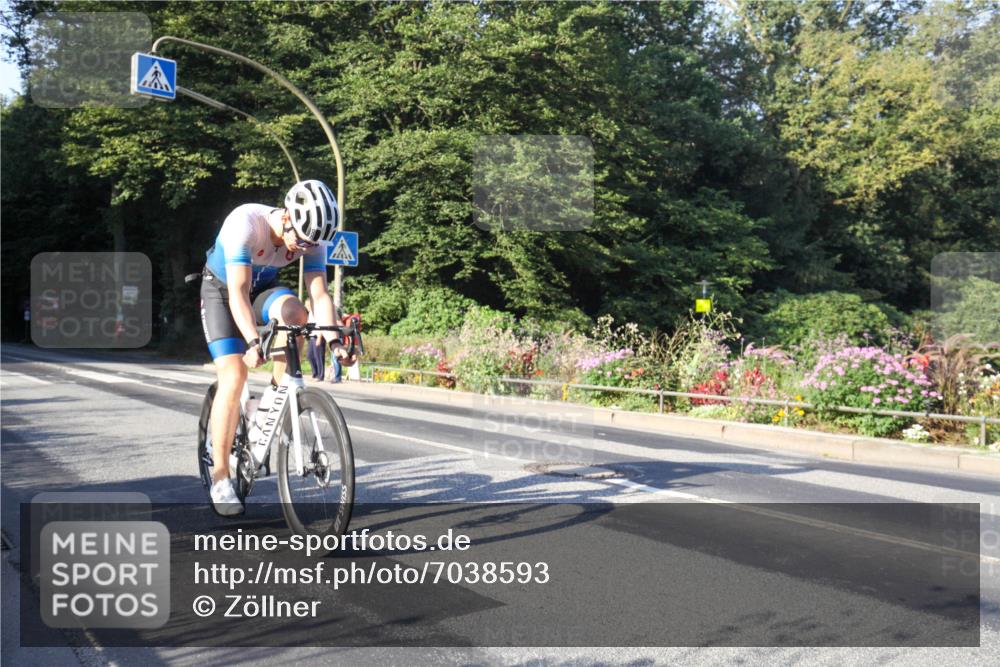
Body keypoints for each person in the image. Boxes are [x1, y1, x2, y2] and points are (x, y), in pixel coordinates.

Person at [200, 179, 355, 516]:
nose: (303, 248)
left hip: (262, 291)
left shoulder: (312, 238)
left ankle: (266, 406)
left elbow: (319, 295)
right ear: (287, 217)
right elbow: (238, 293)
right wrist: (254, 342)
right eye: (300, 240)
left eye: (310, 244)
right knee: (235, 373)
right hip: (223, 292)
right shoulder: (246, 224)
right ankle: (220, 476)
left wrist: (334, 341)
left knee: (297, 315)